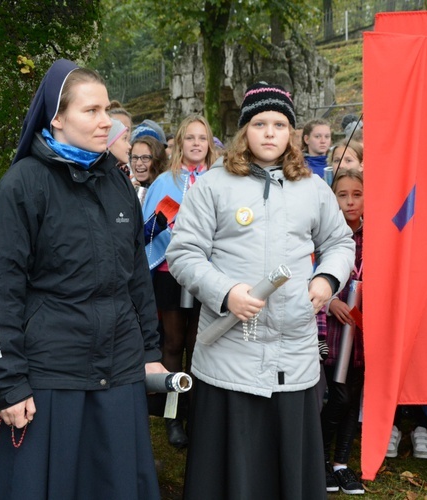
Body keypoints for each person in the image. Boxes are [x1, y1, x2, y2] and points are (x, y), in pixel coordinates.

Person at [0, 59, 164, 499]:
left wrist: (149, 350)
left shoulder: (117, 184)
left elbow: (137, 278)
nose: (107, 122)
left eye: (107, 110)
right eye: (91, 111)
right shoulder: (22, 185)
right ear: (56, 118)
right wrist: (9, 384)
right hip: (51, 374)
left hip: (119, 370)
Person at [166, 82, 355, 499]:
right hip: (229, 354)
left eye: (280, 124)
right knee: (229, 472)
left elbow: (341, 243)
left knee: (286, 470)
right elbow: (184, 254)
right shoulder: (213, 186)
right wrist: (225, 290)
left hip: (294, 353)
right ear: (243, 131)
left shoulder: (313, 188)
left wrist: (326, 279)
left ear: (292, 133)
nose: (270, 132)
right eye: (259, 123)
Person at [141, 114, 218, 449]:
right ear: (179, 143)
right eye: (190, 138)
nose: (197, 143)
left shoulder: (221, 179)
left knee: (199, 346)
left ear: (210, 142)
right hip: (169, 272)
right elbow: (146, 230)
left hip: (207, 272)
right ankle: (173, 417)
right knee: (172, 345)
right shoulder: (163, 182)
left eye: (202, 138)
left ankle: (199, 417)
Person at [321, 168, 365, 495]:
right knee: (335, 394)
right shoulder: (324, 233)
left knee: (354, 392)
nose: (350, 202)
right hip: (332, 328)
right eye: (342, 195)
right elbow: (308, 273)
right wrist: (330, 300)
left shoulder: (377, 235)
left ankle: (342, 462)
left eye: (357, 194)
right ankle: (320, 458)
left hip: (363, 327)